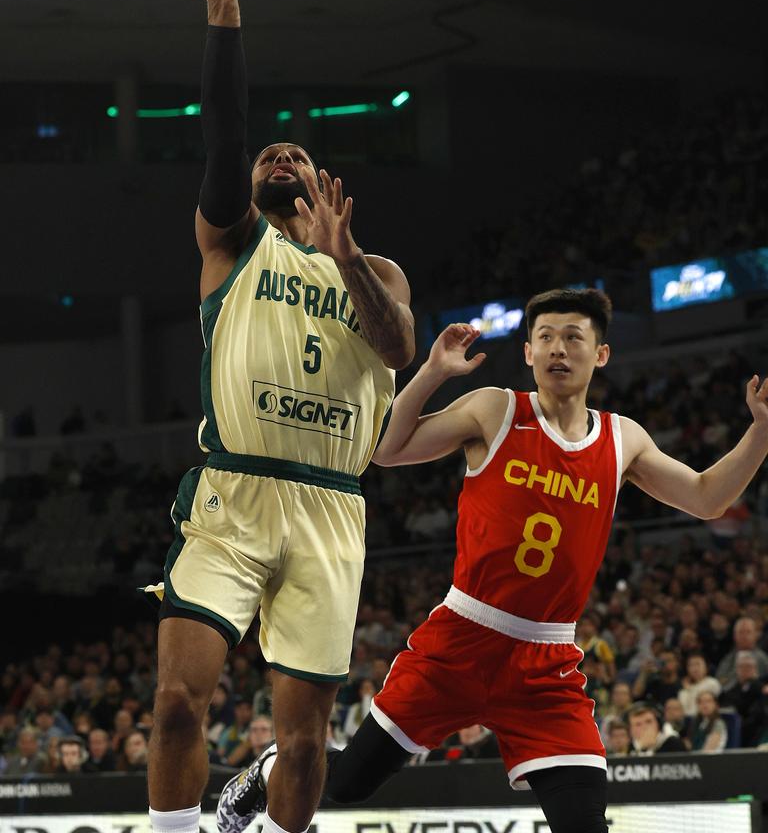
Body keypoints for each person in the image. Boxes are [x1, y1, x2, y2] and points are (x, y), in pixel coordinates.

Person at [219, 287, 768, 833]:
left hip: (547, 662)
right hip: (463, 638)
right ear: (527, 352)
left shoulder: (623, 439)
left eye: (573, 337)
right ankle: (271, 769)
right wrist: (432, 371)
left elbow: (706, 498)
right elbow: (386, 450)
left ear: (600, 354)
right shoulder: (496, 409)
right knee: (345, 786)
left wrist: (761, 431)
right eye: (545, 337)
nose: (558, 349)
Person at [145, 0, 414, 833]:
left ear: (325, 185)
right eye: (272, 151)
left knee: (305, 743)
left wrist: (344, 258)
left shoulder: (371, 269)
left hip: (331, 506)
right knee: (180, 700)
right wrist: (224, 5)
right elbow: (224, 132)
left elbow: (395, 350)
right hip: (235, 493)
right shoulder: (231, 243)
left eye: (299, 150)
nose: (282, 153)